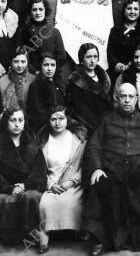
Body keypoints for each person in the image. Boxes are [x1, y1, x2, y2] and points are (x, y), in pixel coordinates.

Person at [83, 83, 140, 255]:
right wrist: (97, 168)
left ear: (136, 99)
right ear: (117, 99)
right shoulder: (106, 119)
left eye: (131, 96)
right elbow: (93, 147)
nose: (127, 100)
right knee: (101, 185)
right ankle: (102, 240)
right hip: (113, 171)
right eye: (123, 96)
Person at [0, 106, 46, 245]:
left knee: (32, 197)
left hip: (28, 186)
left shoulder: (33, 143)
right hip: (5, 188)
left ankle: (33, 237)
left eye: (20, 120)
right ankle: (9, 240)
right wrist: (9, 188)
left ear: (25, 122)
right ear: (6, 122)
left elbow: (39, 171)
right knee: (1, 201)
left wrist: (26, 185)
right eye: (13, 120)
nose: (17, 124)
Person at [37, 106, 86, 253]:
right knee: (45, 203)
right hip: (51, 183)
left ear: (67, 120)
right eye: (53, 119)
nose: (57, 123)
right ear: (49, 121)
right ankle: (44, 238)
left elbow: (85, 166)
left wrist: (71, 182)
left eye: (61, 118)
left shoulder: (78, 140)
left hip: (72, 183)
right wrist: (50, 184)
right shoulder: (43, 141)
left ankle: (77, 233)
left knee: (72, 201)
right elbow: (38, 169)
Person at [67, 43, 112, 132]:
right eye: (88, 57)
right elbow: (78, 107)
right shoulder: (75, 79)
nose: (92, 60)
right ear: (82, 58)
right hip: (87, 124)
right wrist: (97, 124)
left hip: (107, 122)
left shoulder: (104, 77)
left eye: (95, 57)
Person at [18, 0, 66, 75]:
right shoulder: (24, 31)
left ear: (45, 10)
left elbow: (62, 57)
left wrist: (50, 71)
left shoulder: (54, 31)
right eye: (34, 10)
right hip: (31, 74)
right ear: (30, 11)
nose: (37, 13)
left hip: (51, 75)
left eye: (41, 9)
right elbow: (20, 57)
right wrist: (35, 72)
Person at [107, 0, 140, 81]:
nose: (132, 12)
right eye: (129, 8)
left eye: (135, 9)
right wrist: (117, 64)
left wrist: (131, 65)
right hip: (118, 74)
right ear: (124, 10)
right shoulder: (115, 30)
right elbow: (110, 52)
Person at [28, 53, 67, 133]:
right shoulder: (35, 86)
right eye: (46, 65)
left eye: (53, 65)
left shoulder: (60, 84)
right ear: (40, 66)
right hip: (44, 127)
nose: (49, 69)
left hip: (61, 124)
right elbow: (37, 112)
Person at [0, 47, 36, 111]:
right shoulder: (1, 81)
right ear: (11, 62)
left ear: (27, 62)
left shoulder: (34, 80)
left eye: (23, 62)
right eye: (16, 61)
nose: (19, 65)